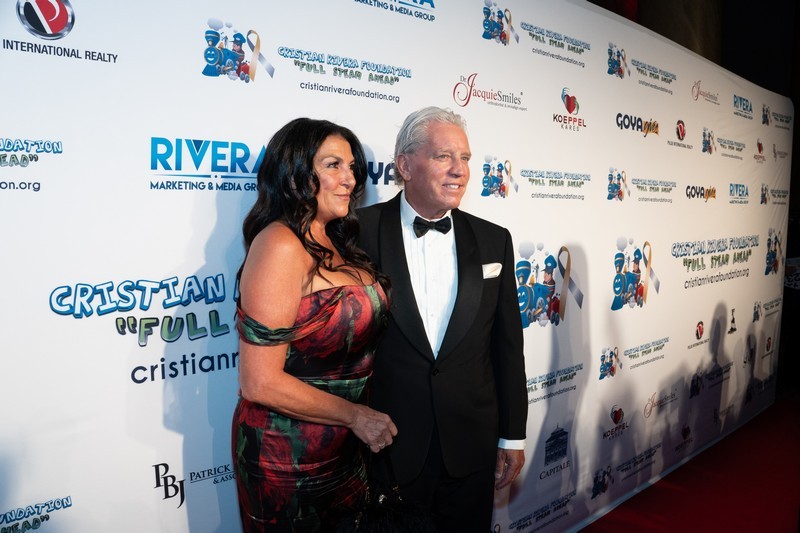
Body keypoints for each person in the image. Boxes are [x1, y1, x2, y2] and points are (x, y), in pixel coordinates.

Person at [357, 106, 528, 531]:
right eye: (443, 157)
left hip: (471, 446)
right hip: (387, 445)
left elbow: (507, 346)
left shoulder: (494, 239)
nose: (460, 170)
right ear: (405, 166)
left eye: (465, 158)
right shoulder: (357, 233)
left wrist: (512, 435)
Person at [231, 117, 397, 532]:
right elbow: (259, 382)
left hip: (343, 447)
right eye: (333, 165)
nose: (350, 179)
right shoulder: (279, 244)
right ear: (295, 173)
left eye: (352, 167)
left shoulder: (336, 239)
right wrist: (355, 416)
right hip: (288, 455)